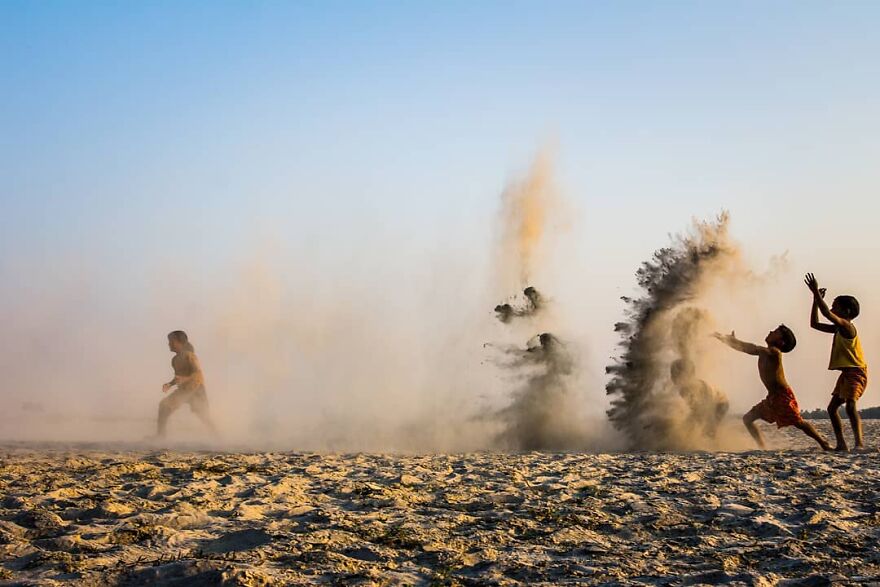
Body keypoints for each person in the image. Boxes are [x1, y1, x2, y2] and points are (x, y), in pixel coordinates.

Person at [713, 326, 831, 450]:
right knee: (747, 419)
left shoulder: (774, 352)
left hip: (783, 396)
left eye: (775, 332)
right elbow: (750, 349)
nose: (770, 332)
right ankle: (762, 447)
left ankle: (824, 443)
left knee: (798, 422)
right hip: (772, 397)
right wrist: (730, 341)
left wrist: (731, 341)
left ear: (781, 342)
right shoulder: (765, 351)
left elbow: (752, 349)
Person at [805, 273, 868, 451]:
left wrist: (816, 293)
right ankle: (841, 443)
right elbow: (814, 323)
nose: (831, 309)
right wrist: (815, 301)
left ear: (846, 312)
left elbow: (825, 314)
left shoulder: (847, 327)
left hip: (856, 372)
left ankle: (859, 443)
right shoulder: (838, 329)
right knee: (832, 409)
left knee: (850, 404)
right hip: (846, 373)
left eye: (835, 307)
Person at [157, 330, 216, 438]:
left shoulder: (190, 356)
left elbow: (197, 372)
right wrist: (170, 384)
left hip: (196, 389)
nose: (169, 344)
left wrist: (185, 378)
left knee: (204, 416)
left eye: (171, 341)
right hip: (184, 390)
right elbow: (179, 377)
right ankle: (160, 436)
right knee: (164, 406)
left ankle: (218, 438)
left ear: (181, 343)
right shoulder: (174, 360)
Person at [670, 358, 729, 438]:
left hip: (720, 403)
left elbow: (708, 410)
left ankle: (712, 445)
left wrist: (709, 426)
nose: (673, 378)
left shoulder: (700, 387)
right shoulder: (683, 390)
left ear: (688, 375)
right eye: (672, 374)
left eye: (676, 375)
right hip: (706, 404)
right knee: (688, 425)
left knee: (708, 429)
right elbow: (693, 409)